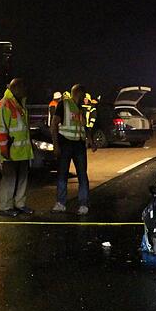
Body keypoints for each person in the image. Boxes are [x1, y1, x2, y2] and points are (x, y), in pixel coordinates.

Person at [52, 83, 95, 215]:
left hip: (79, 145)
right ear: (78, 93)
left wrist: (90, 140)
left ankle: (83, 204)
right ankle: (60, 203)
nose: (84, 97)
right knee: (62, 175)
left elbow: (84, 127)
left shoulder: (80, 109)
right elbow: (54, 124)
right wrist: (56, 145)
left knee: (82, 175)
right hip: (65, 144)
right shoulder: (63, 105)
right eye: (83, 94)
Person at [0, 77, 34, 218]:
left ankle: (20, 204)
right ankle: (5, 206)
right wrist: (4, 150)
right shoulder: (5, 104)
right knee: (10, 179)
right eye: (23, 88)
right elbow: (1, 129)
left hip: (21, 151)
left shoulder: (19, 104)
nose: (26, 91)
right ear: (16, 88)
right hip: (11, 151)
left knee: (22, 178)